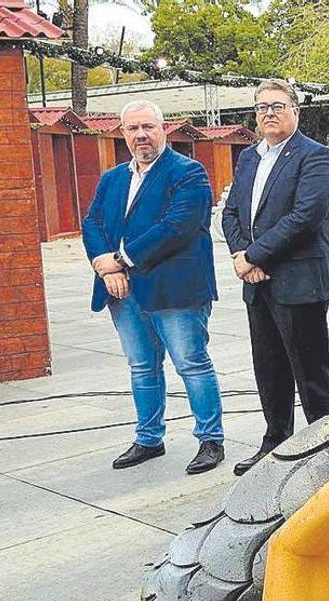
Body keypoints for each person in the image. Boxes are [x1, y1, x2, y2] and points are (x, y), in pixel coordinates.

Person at [81, 99, 224, 474]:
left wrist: (122, 260)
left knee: (191, 363)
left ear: (164, 130)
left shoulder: (188, 173)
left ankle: (210, 440)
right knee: (142, 366)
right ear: (123, 133)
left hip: (174, 289)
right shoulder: (113, 178)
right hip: (123, 291)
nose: (141, 135)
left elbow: (176, 227)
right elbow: (92, 222)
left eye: (148, 127)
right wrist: (103, 265)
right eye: (133, 129)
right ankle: (148, 438)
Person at [221, 79, 329, 476]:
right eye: (261, 107)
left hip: (299, 282)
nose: (268, 113)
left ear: (295, 111)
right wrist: (242, 256)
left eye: (277, 105)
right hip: (257, 284)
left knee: (311, 373)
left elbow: (305, 217)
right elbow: (231, 212)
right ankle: (275, 444)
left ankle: (325, 450)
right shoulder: (249, 158)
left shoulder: (315, 156)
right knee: (268, 368)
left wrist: (254, 254)